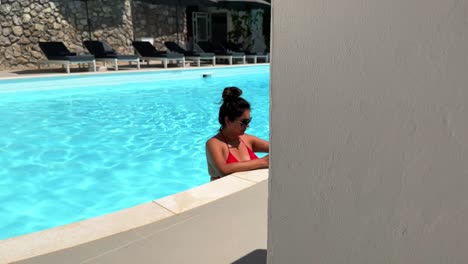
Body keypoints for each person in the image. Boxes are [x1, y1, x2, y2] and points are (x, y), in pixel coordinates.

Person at [206, 87, 269, 180]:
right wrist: (263, 161)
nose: (247, 126)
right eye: (243, 122)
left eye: (249, 121)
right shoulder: (214, 144)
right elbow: (223, 170)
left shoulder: (247, 139)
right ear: (228, 120)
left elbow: (277, 149)